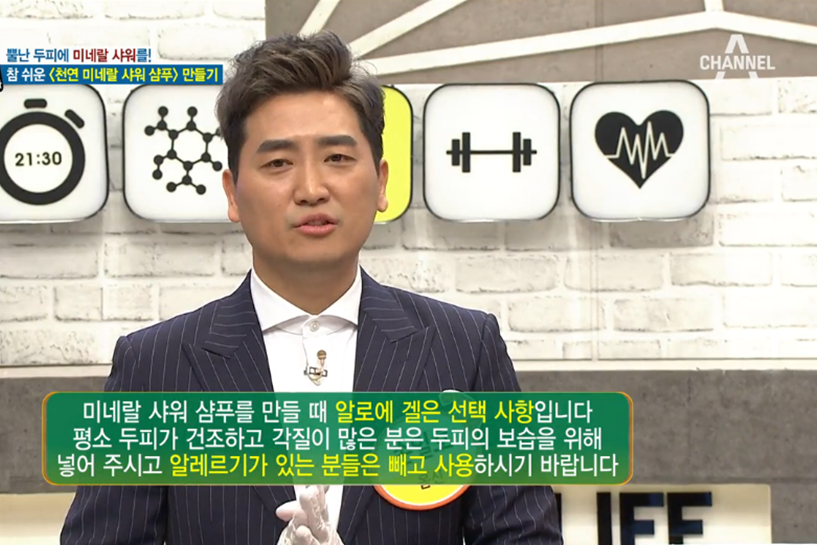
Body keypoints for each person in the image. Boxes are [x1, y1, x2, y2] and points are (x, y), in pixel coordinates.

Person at [60, 30, 562, 545]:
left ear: (381, 182)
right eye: (278, 163)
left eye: (337, 158)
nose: (311, 189)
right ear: (233, 193)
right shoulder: (154, 368)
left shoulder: (464, 350)